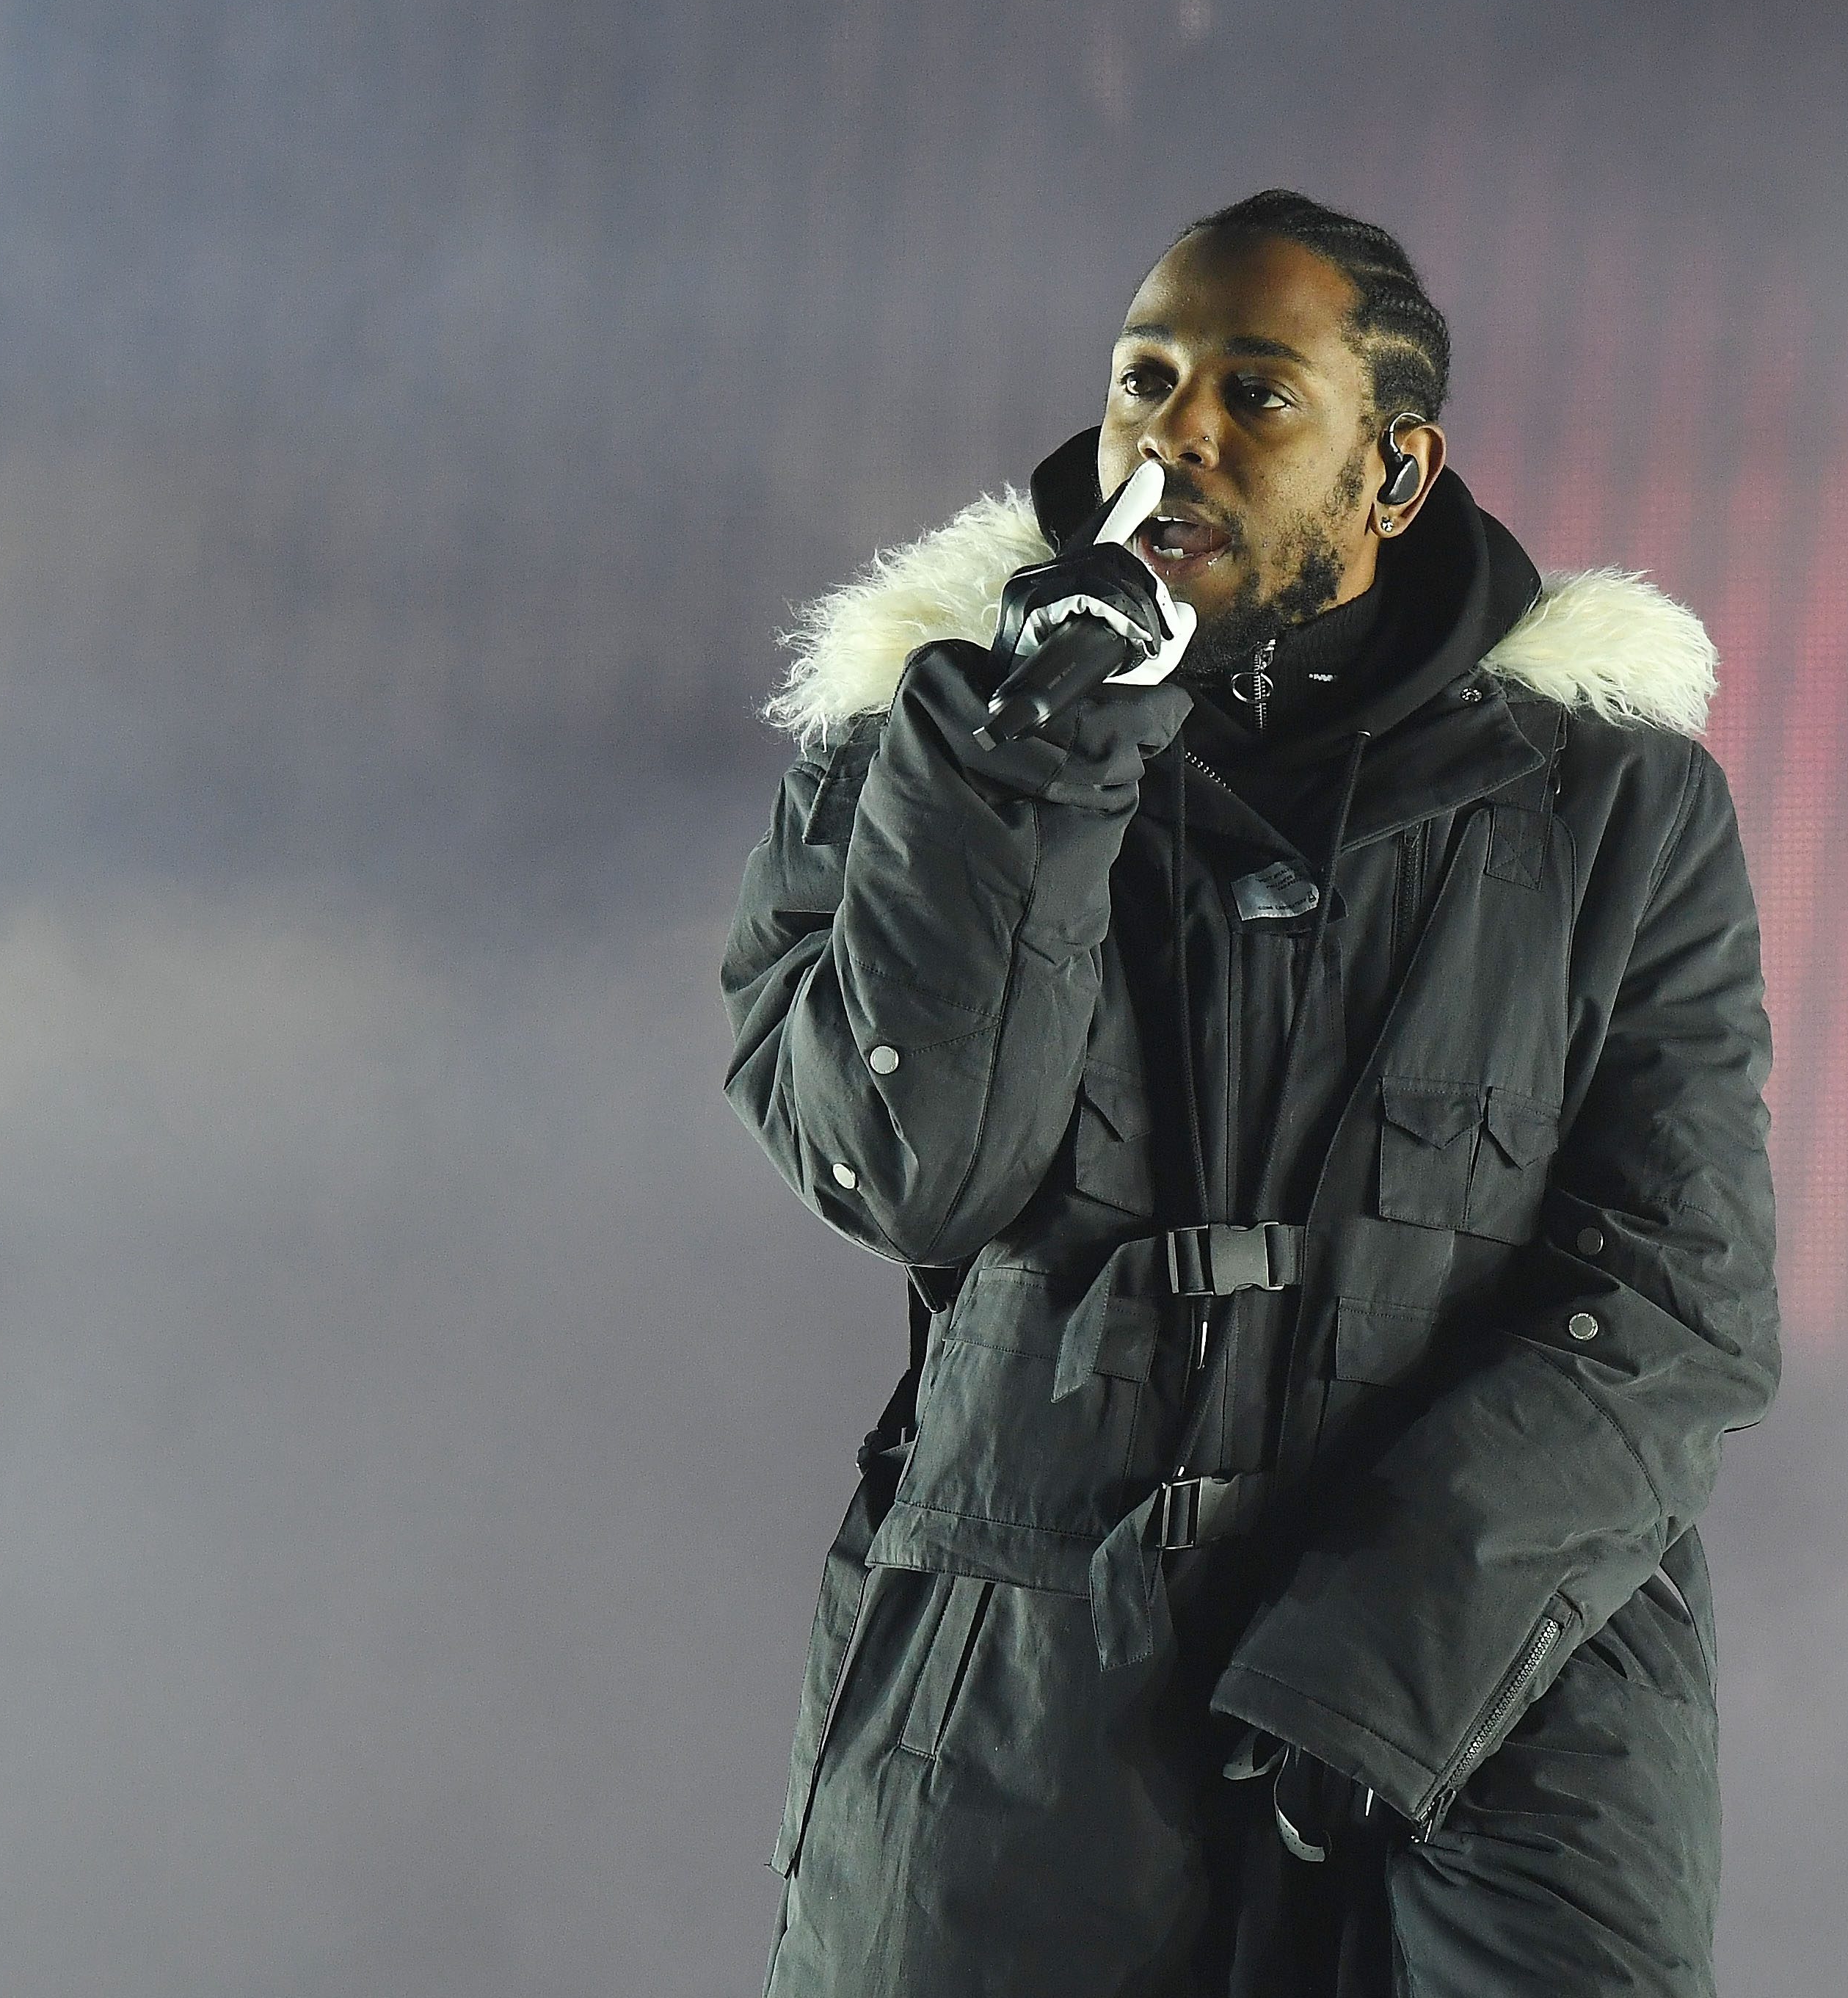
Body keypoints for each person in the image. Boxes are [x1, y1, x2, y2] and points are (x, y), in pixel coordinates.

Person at [721, 188, 1781, 1997]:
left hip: (1491, 1712)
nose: (1175, 435)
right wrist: (1034, 755)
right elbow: (908, 1171)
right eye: (1144, 380)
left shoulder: (1614, 810)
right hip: (1022, 1704)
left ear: (1394, 473)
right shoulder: (937, 751)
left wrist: (1385, 1654)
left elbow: (1682, 1300)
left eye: (1255, 394)